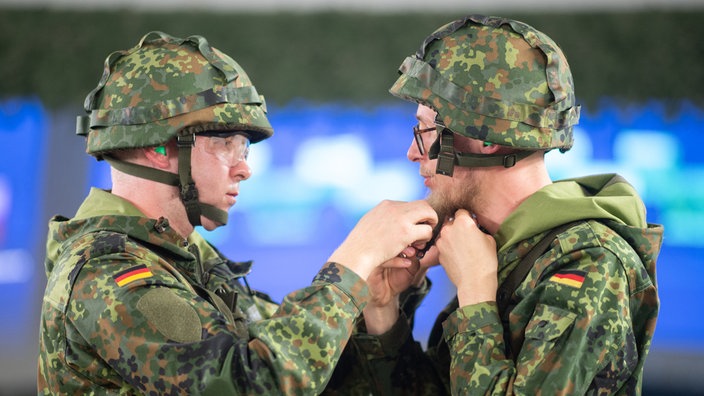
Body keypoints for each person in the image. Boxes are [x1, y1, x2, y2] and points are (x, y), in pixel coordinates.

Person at [37, 31, 438, 395]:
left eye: (243, 148)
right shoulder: (106, 274)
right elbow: (251, 385)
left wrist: (375, 305)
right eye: (225, 143)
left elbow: (313, 378)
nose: (243, 167)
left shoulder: (188, 260)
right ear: (156, 147)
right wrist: (355, 261)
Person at [324, 14, 664, 395]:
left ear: (484, 138)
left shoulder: (589, 263)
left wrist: (475, 295)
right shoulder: (505, 249)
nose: (411, 153)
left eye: (425, 131)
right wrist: (383, 310)